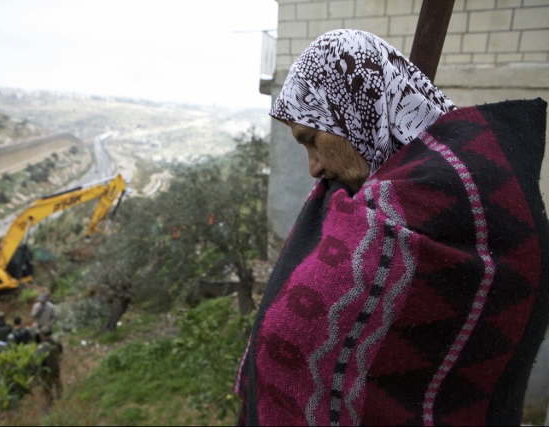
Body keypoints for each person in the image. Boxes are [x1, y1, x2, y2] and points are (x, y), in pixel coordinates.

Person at [234, 29, 549, 426]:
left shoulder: (474, 196)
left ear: (352, 110)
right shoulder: (372, 206)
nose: (314, 166)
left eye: (312, 139)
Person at [35, 326, 63, 409]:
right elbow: (61, 350)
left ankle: (49, 404)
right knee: (57, 382)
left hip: (46, 369)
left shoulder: (42, 346)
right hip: (55, 365)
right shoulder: (56, 341)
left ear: (42, 335)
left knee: (47, 387)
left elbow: (38, 359)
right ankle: (60, 398)